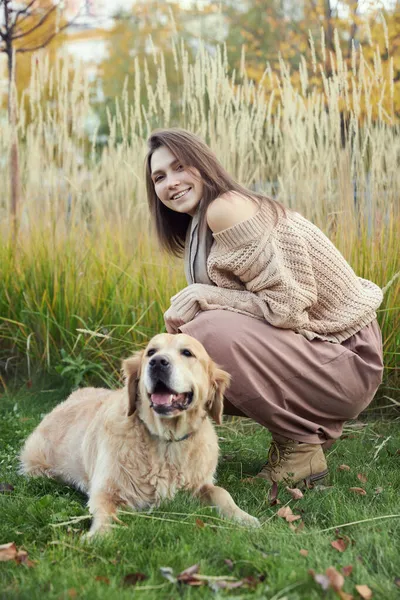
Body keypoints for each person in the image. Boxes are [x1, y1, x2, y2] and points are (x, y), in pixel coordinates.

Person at [145, 127, 384, 488]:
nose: (171, 183)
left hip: (348, 358)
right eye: (159, 177)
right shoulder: (200, 221)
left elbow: (288, 308)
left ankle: (300, 446)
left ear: (203, 163)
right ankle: (289, 434)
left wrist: (203, 297)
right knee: (182, 349)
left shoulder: (226, 209)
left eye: (180, 167)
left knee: (204, 334)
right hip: (320, 355)